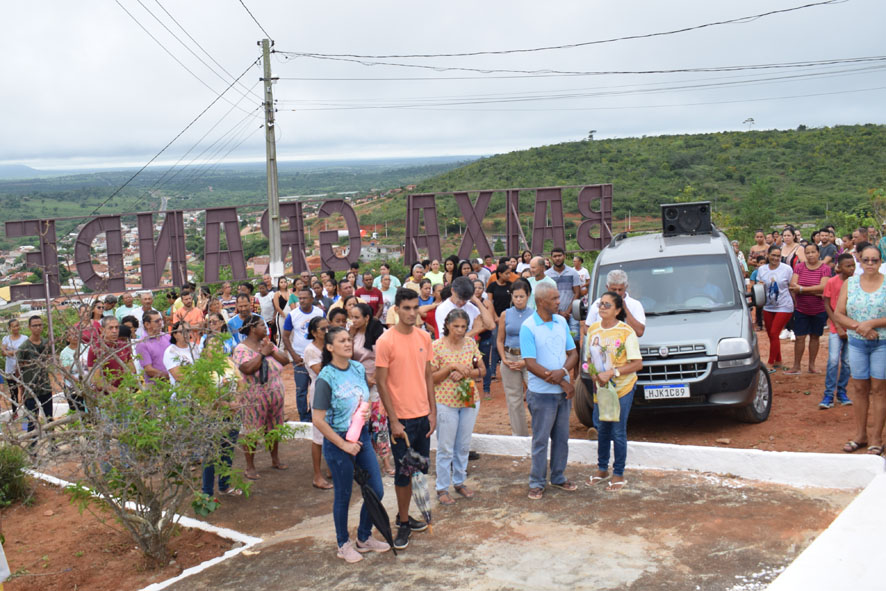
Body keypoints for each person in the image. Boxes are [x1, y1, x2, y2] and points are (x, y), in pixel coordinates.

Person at [311, 326, 390, 561]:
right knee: (343, 496)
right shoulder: (326, 377)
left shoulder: (357, 368)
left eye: (349, 339)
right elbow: (318, 419)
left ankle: (364, 537)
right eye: (342, 341)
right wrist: (343, 445)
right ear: (329, 347)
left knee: (376, 489)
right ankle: (343, 544)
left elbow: (361, 397)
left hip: (362, 437)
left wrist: (362, 414)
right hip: (338, 443)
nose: (348, 343)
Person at [376, 288, 436, 550]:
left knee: (419, 472)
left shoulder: (425, 337)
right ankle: (402, 523)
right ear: (397, 310)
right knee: (403, 474)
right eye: (407, 308)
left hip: (423, 417)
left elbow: (428, 377)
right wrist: (394, 420)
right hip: (402, 421)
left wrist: (433, 412)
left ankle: (408, 516)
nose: (412, 313)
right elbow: (380, 382)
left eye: (415, 308)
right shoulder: (385, 341)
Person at [519, 281, 579, 500]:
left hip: (562, 395)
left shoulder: (562, 321)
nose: (559, 301)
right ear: (541, 301)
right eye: (554, 298)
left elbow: (573, 353)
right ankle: (536, 482)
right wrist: (562, 381)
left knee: (562, 438)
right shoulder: (529, 327)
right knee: (541, 439)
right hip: (542, 394)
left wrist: (563, 370)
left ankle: (558, 476)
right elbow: (530, 363)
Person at [585, 292, 644, 491]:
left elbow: (637, 364)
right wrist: (595, 376)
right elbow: (589, 359)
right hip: (601, 388)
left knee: (618, 430)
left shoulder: (626, 332)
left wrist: (613, 372)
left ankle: (618, 473)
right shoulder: (593, 330)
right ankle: (602, 469)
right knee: (602, 428)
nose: (602, 308)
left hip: (622, 388)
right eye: (601, 304)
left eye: (607, 305)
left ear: (618, 310)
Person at [833, 244, 886, 455]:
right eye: (866, 260)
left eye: (875, 260)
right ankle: (860, 435)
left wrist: (871, 324)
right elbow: (839, 313)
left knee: (880, 391)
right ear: (860, 261)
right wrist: (860, 328)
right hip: (857, 343)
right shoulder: (851, 283)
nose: (871, 264)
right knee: (860, 389)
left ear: (881, 261)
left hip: (882, 344)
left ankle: (876, 438)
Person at [431, 308, 484, 506]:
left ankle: (459, 481)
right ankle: (442, 487)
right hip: (445, 401)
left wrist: (466, 373)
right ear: (447, 325)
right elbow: (432, 377)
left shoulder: (471, 344)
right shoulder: (436, 346)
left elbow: (482, 371)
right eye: (456, 326)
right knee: (445, 446)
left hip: (469, 398)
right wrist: (451, 368)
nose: (460, 330)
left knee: (463, 444)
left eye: (463, 327)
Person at [234, 315, 292, 479]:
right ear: (252, 329)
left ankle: (275, 459)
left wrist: (270, 349)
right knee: (252, 430)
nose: (265, 328)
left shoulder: (266, 344)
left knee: (274, 427)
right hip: (254, 396)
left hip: (275, 393)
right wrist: (262, 354)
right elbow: (247, 368)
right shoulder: (241, 349)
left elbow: (285, 360)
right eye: (262, 325)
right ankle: (250, 466)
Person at [349, 303, 394, 476]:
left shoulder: (378, 334)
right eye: (351, 317)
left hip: (376, 385)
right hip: (356, 384)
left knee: (379, 423)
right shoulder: (352, 334)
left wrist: (372, 380)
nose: (352, 321)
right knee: (358, 422)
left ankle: (386, 462)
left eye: (356, 317)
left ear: (366, 318)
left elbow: (384, 361)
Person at [786, 243, 832, 374]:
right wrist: (814, 291)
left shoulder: (825, 269)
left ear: (818, 253)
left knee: (815, 337)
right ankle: (796, 366)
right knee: (800, 337)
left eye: (813, 252)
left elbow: (824, 287)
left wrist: (802, 289)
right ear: (804, 254)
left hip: (819, 309)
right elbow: (793, 286)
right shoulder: (799, 267)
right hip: (801, 309)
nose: (810, 255)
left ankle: (812, 365)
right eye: (808, 252)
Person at [280, 285, 324, 423]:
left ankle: (314, 415)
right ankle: (304, 418)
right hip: (299, 357)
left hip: (317, 357)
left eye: (305, 298)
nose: (302, 301)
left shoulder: (320, 313)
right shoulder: (292, 315)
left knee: (317, 387)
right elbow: (285, 336)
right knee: (301, 390)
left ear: (312, 299)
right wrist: (293, 355)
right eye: (300, 298)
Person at [496, 280, 533, 436]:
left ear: (528, 296)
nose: (518, 300)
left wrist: (525, 361)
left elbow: (537, 341)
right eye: (516, 296)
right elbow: (499, 340)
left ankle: (540, 433)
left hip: (530, 360)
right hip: (510, 358)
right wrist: (504, 359)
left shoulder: (534, 315)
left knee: (536, 396)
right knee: (514, 400)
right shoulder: (505, 314)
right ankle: (519, 436)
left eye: (522, 296)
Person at [821, 253, 856, 409]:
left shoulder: (857, 283)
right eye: (848, 266)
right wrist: (839, 325)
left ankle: (842, 392)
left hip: (853, 328)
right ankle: (828, 394)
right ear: (839, 267)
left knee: (847, 362)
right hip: (836, 327)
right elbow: (827, 305)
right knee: (833, 361)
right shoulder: (832, 282)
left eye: (853, 265)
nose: (851, 268)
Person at [304, 317, 334, 490]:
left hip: (333, 391)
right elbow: (321, 372)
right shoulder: (311, 350)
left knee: (332, 428)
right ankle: (317, 475)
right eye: (323, 329)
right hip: (320, 392)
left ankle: (330, 469)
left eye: (328, 328)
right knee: (318, 435)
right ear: (314, 332)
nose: (327, 331)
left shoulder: (329, 345)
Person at [756, 245, 795, 371]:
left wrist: (796, 303)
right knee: (771, 335)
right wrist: (759, 285)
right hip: (768, 306)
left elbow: (791, 286)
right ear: (768, 255)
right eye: (773, 255)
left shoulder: (787, 269)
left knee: (774, 333)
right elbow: (758, 286)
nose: (776, 258)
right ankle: (778, 361)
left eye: (778, 256)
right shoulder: (762, 270)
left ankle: (770, 363)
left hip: (784, 305)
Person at [583, 269, 647, 340]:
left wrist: (625, 309)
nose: (617, 293)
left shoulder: (635, 305)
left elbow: (640, 332)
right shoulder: (598, 304)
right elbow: (586, 327)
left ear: (626, 287)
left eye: (620, 289)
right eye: (613, 289)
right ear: (607, 287)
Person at [17, 316, 52, 433]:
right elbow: (18, 370)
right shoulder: (24, 348)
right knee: (32, 421)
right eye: (34, 325)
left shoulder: (46, 343)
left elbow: (50, 361)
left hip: (45, 387)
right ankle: (33, 448)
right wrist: (20, 390)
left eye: (40, 325)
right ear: (29, 327)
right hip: (30, 389)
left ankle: (53, 445)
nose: (38, 328)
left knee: (49, 418)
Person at [87, 316, 135, 393]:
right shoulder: (96, 349)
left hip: (125, 392)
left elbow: (132, 371)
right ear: (102, 330)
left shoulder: (123, 346)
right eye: (110, 328)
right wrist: (118, 392)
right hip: (105, 396)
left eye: (117, 327)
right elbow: (96, 380)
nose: (114, 331)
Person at [545, 247, 581, 337]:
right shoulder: (547, 275)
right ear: (551, 258)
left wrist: (567, 312)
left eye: (560, 255)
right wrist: (559, 312)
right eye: (555, 256)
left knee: (574, 339)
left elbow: (577, 293)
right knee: (556, 338)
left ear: (564, 256)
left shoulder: (573, 273)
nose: (557, 258)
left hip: (571, 314)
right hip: (554, 313)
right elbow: (546, 295)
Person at [135, 310, 171, 386]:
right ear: (147, 324)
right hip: (155, 386)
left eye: (161, 320)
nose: (160, 323)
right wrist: (170, 376)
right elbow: (149, 370)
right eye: (157, 321)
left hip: (172, 383)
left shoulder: (167, 337)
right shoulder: (142, 344)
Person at [2, 319, 27, 415]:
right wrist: (16, 352)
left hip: (22, 368)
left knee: (24, 390)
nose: (16, 328)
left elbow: (26, 351)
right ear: (9, 328)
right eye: (13, 326)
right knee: (13, 392)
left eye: (17, 325)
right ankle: (15, 412)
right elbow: (3, 352)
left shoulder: (24, 338)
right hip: (10, 370)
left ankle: (27, 412)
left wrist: (10, 352)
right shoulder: (6, 339)